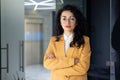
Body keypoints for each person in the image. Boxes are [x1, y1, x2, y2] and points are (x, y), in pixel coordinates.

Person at [43, 4, 91, 80]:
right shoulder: (54, 40)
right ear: (60, 21)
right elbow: (47, 63)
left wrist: (56, 69)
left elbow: (83, 68)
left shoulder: (85, 40)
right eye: (64, 19)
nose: (67, 22)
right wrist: (72, 61)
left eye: (71, 19)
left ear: (76, 22)